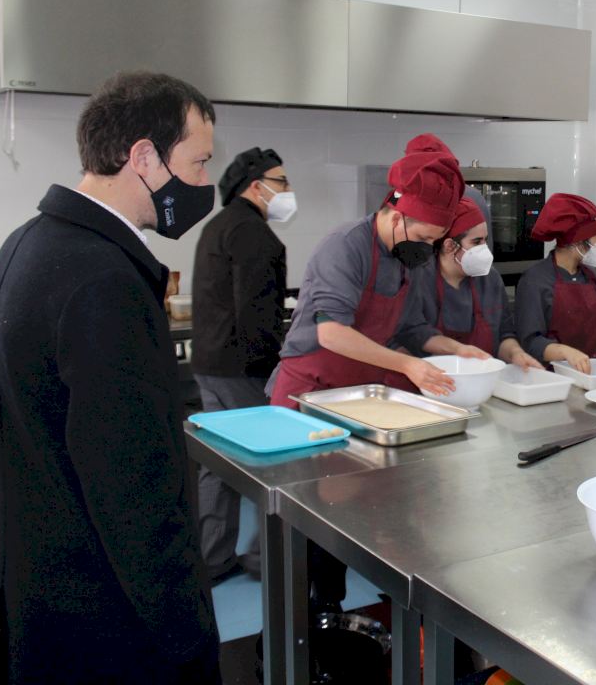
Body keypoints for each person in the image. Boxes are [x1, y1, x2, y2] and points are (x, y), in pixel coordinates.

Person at [0, 71, 222, 683]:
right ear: (144, 157)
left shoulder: (25, 245)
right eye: (198, 163)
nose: (203, 184)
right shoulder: (104, 280)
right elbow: (133, 486)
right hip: (107, 618)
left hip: (36, 587)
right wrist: (186, 633)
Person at [268, 149, 466, 409]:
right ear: (397, 219)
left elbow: (410, 328)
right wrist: (408, 365)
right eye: (423, 238)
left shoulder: (406, 257)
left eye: (434, 241)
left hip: (360, 393)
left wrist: (457, 350)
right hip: (309, 389)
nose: (427, 248)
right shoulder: (346, 245)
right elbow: (332, 334)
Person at [190, 147, 292, 580]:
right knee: (272, 462)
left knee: (218, 463)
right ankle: (263, 558)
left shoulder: (217, 226)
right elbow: (255, 311)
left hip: (209, 363)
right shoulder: (253, 234)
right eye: (282, 182)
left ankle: (212, 557)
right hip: (242, 369)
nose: (288, 190)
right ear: (256, 186)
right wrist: (271, 367)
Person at [402, 197, 541, 368]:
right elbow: (410, 336)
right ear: (449, 246)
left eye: (485, 240)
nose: (484, 248)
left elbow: (504, 335)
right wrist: (457, 349)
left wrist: (515, 353)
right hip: (433, 378)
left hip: (483, 378)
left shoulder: (490, 279)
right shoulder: (417, 280)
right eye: (476, 242)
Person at [516, 193, 596, 373]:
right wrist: (566, 353)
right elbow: (530, 342)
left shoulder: (590, 276)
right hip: (550, 377)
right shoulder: (535, 280)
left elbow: (591, 335)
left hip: (588, 373)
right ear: (578, 242)